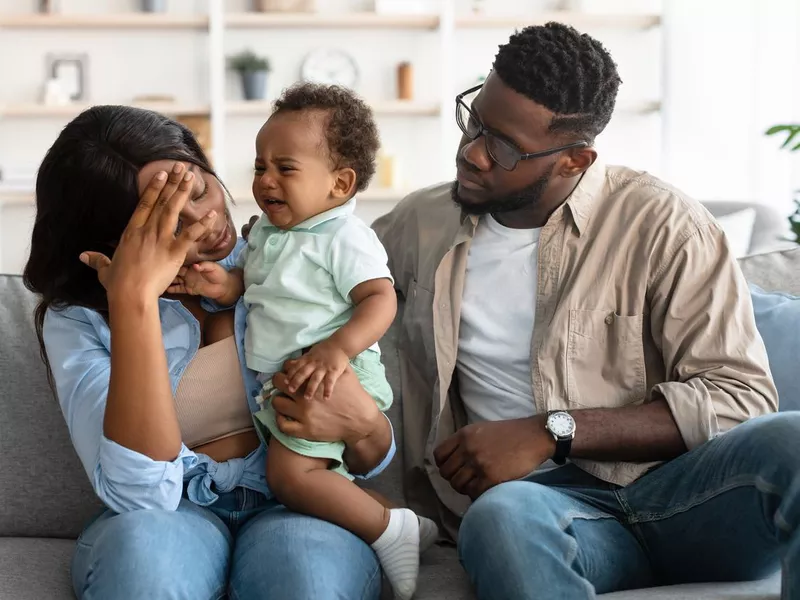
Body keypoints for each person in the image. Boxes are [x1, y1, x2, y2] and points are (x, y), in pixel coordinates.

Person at [373, 22, 800, 599]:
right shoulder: (418, 224)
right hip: (539, 510)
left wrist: (552, 432)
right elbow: (324, 275)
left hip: (684, 500)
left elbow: (739, 398)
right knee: (499, 518)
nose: (472, 153)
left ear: (575, 160)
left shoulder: (666, 225)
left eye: (502, 146)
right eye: (473, 120)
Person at [22, 104, 398, 600]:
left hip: (293, 499)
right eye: (169, 216)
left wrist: (365, 425)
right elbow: (140, 494)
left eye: (199, 189)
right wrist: (133, 301)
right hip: (173, 512)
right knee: (144, 574)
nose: (206, 219)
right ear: (115, 239)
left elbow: (369, 458)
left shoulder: (280, 257)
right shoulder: (80, 320)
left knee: (307, 580)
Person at [178, 83, 437, 599]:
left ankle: (390, 528)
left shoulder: (344, 237)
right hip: (290, 379)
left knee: (290, 477)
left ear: (340, 184)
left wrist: (337, 351)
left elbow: (380, 299)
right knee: (291, 470)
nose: (265, 180)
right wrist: (222, 286)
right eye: (258, 167)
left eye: (285, 168)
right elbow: (254, 289)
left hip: (332, 374)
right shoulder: (269, 236)